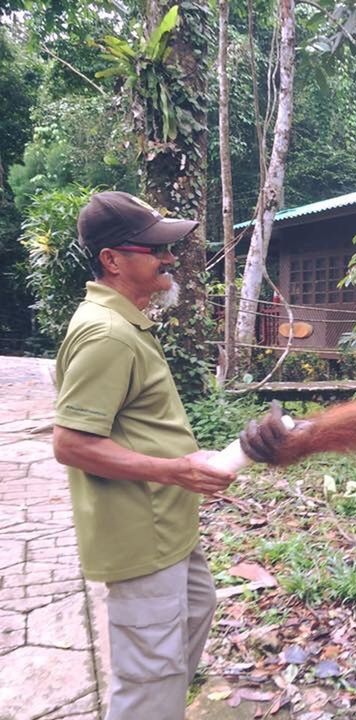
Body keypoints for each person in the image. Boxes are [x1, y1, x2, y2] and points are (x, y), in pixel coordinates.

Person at [52, 191, 236, 720]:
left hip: (169, 523)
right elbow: (70, 443)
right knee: (149, 675)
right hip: (141, 530)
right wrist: (173, 468)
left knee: (195, 611)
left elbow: (133, 423)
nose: (170, 259)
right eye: (155, 248)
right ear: (112, 260)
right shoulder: (107, 334)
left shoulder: (126, 323)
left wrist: (183, 459)